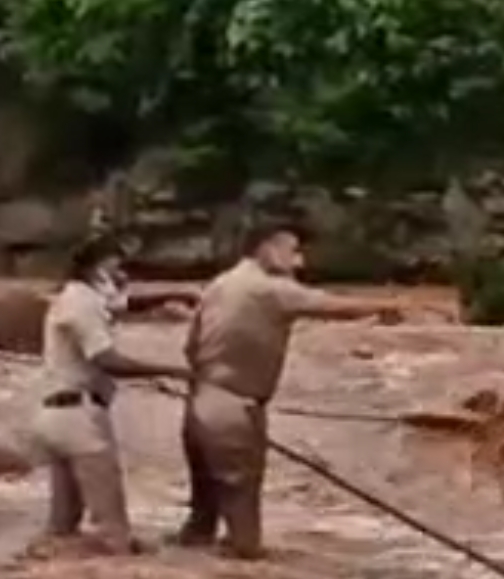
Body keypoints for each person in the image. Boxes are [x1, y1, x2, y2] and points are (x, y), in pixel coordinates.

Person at [175, 222, 418, 559]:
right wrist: (390, 305)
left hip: (200, 403)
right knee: (245, 538)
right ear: (266, 249)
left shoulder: (219, 284)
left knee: (202, 519)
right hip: (234, 409)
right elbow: (329, 304)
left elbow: (191, 348)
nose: (299, 262)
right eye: (292, 252)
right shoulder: (269, 288)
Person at [35, 237, 191, 553]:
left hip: (56, 415)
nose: (123, 274)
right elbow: (107, 360)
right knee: (114, 532)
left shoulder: (77, 296)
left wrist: (174, 295)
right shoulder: (83, 304)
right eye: (118, 265)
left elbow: (124, 305)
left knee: (62, 527)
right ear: (98, 266)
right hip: (80, 419)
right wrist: (174, 371)